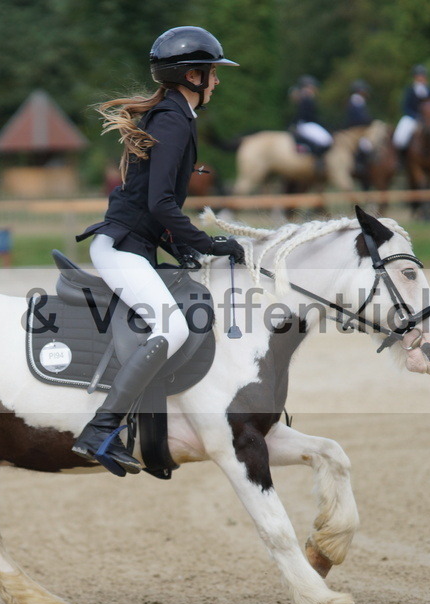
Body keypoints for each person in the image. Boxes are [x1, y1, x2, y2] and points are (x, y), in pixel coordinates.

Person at [72, 26, 245, 476]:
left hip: (137, 244)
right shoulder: (172, 119)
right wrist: (207, 243)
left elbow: (155, 201)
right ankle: (100, 431)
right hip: (121, 248)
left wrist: (179, 246)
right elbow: (160, 203)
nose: (218, 82)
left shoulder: (176, 115)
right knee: (173, 329)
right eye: (213, 73)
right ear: (193, 76)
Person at [392, 64, 430, 151]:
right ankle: (401, 160)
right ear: (415, 77)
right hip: (412, 118)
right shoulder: (409, 91)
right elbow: (405, 107)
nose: (421, 78)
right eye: (419, 75)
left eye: (423, 75)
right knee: (399, 139)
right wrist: (416, 117)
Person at [290, 75, 334, 173]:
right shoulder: (306, 97)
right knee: (326, 140)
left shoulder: (305, 97)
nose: (314, 89)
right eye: (312, 86)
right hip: (307, 124)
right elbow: (309, 115)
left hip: (307, 123)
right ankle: (318, 161)